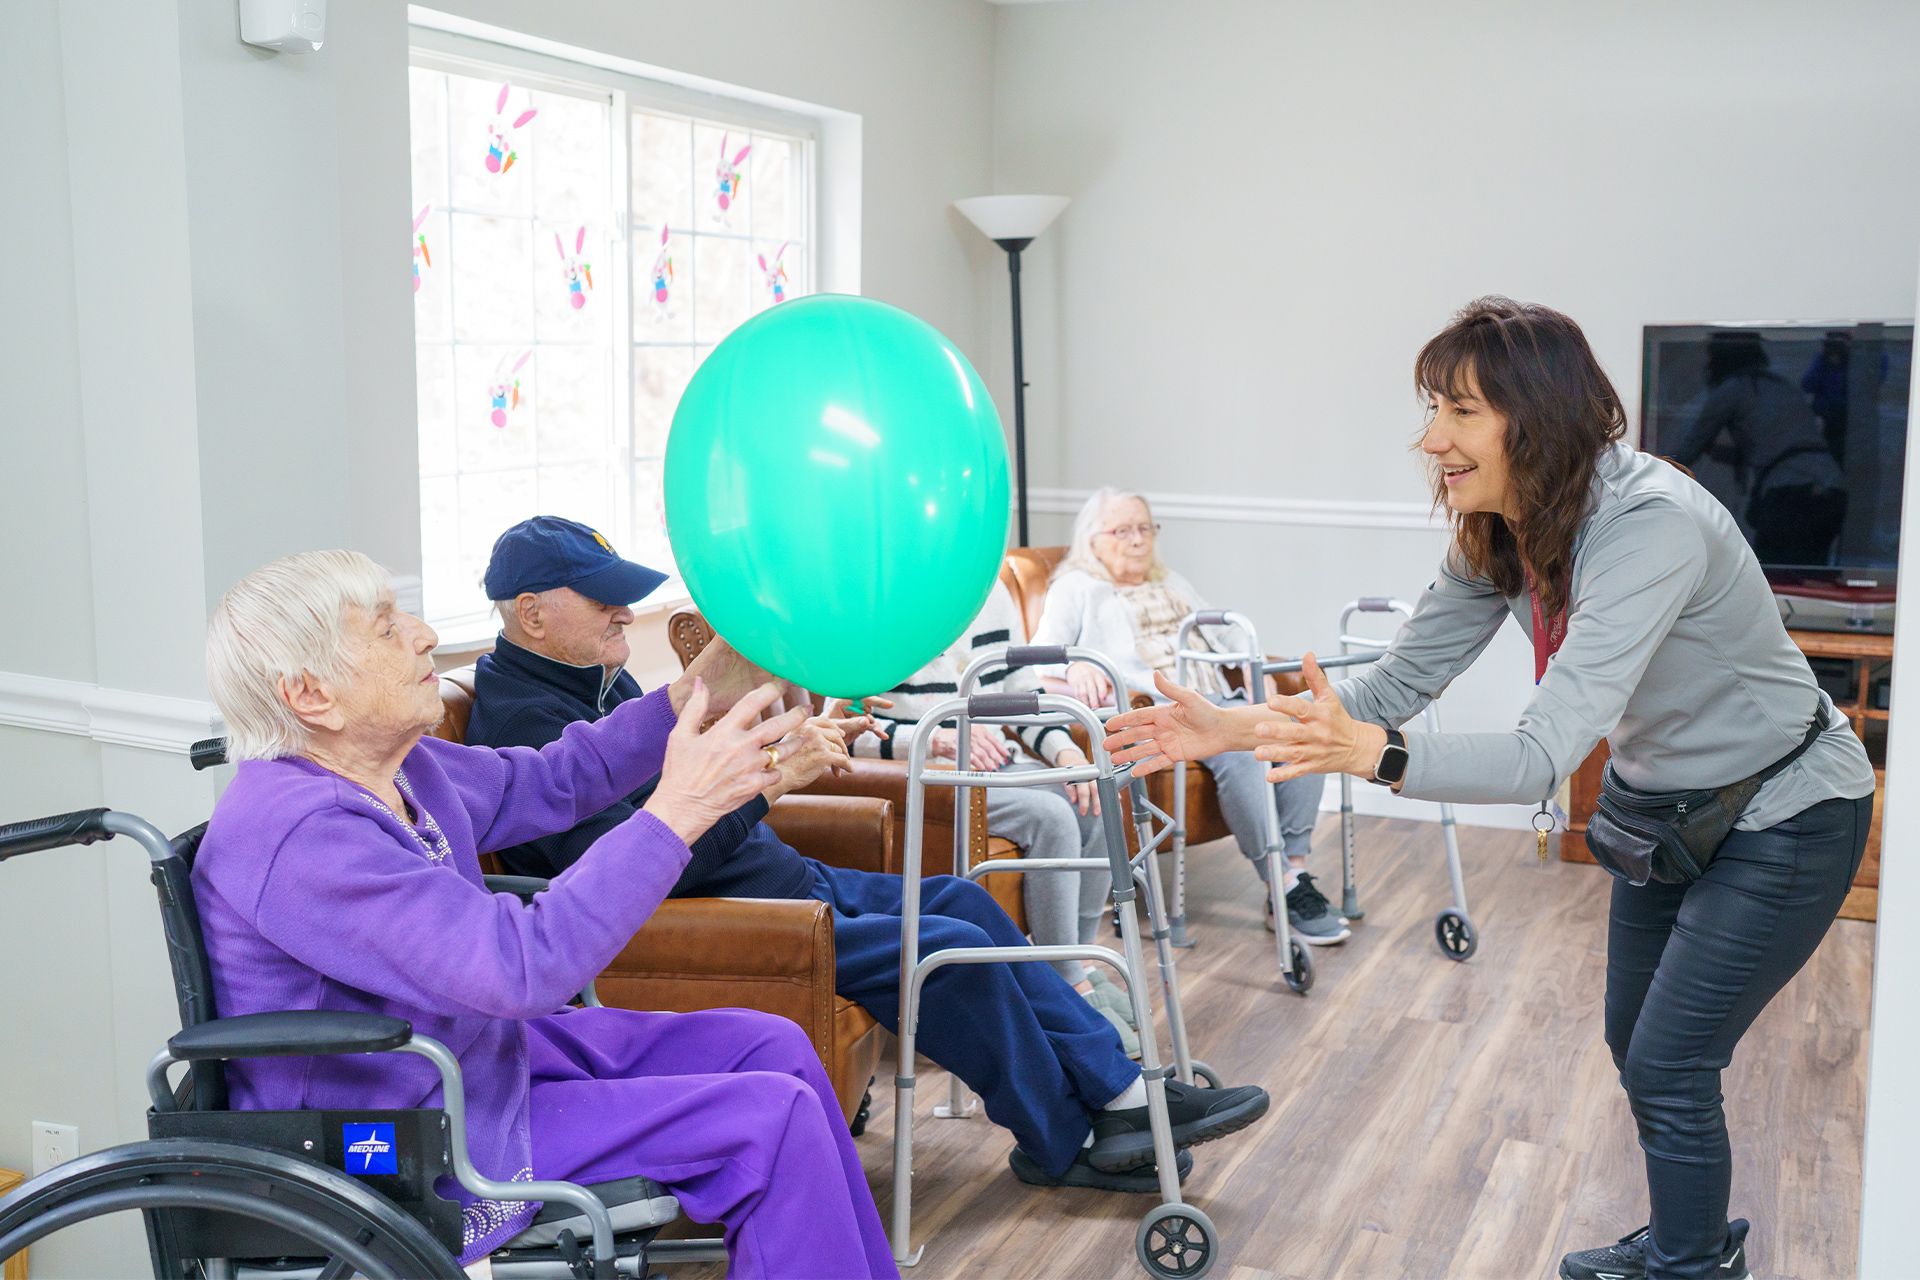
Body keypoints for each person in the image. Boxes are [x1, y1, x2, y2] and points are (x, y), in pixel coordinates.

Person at [1103, 297, 1875, 1280]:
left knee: (1672, 1058)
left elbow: (1536, 756)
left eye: (1460, 411)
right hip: (1666, 809)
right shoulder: (1502, 528)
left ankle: (1691, 1263)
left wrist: (1369, 757)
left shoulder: (1652, 527)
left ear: (1537, 419)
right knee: (1633, 1037)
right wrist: (1234, 725)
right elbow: (1388, 689)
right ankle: (1687, 1236)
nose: (1433, 440)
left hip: (1788, 809)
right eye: (1435, 409)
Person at [464, 517, 1271, 1194]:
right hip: (724, 917)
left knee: (957, 900)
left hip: (776, 879)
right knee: (945, 946)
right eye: (602, 598)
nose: (622, 611)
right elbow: (639, 863)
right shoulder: (523, 719)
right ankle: (1070, 1138)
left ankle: (1120, 1092)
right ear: (532, 614)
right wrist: (773, 785)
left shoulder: (592, 686)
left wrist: (773, 748)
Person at [194, 549, 897, 1278]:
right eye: (383, 629)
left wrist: (692, 694)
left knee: (772, 1047)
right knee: (768, 1124)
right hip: (412, 1135)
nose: (424, 633)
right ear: (311, 695)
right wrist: (679, 809)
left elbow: (561, 777)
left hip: (488, 1060)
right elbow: (516, 968)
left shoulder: (402, 770)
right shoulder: (302, 836)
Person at [1031, 489, 1347, 943]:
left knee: (1300, 730)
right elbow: (1039, 659)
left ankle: (1294, 874)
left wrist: (1260, 670)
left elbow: (1224, 634)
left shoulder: (1171, 581)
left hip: (1223, 696)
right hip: (1168, 712)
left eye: (1145, 528)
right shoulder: (1076, 588)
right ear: (1092, 539)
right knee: (1243, 755)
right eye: (1123, 530)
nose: (1138, 540)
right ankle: (1278, 881)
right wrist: (1076, 665)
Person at [848, 578, 1139, 1053]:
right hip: (924, 775)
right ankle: (1065, 985)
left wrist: (1067, 755)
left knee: (1095, 797)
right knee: (1050, 816)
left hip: (995, 765)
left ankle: (1077, 959)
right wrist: (935, 737)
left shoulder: (989, 588)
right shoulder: (872, 597)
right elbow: (843, 725)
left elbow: (1021, 691)